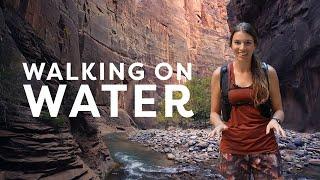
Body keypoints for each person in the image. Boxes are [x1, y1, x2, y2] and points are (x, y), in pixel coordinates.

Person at [208, 22, 286, 180]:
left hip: (265, 146)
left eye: (247, 43)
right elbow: (214, 113)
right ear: (231, 44)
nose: (242, 48)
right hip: (232, 147)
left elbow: (279, 110)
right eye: (237, 42)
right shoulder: (220, 74)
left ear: (255, 45)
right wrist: (219, 124)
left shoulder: (268, 72)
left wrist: (275, 120)